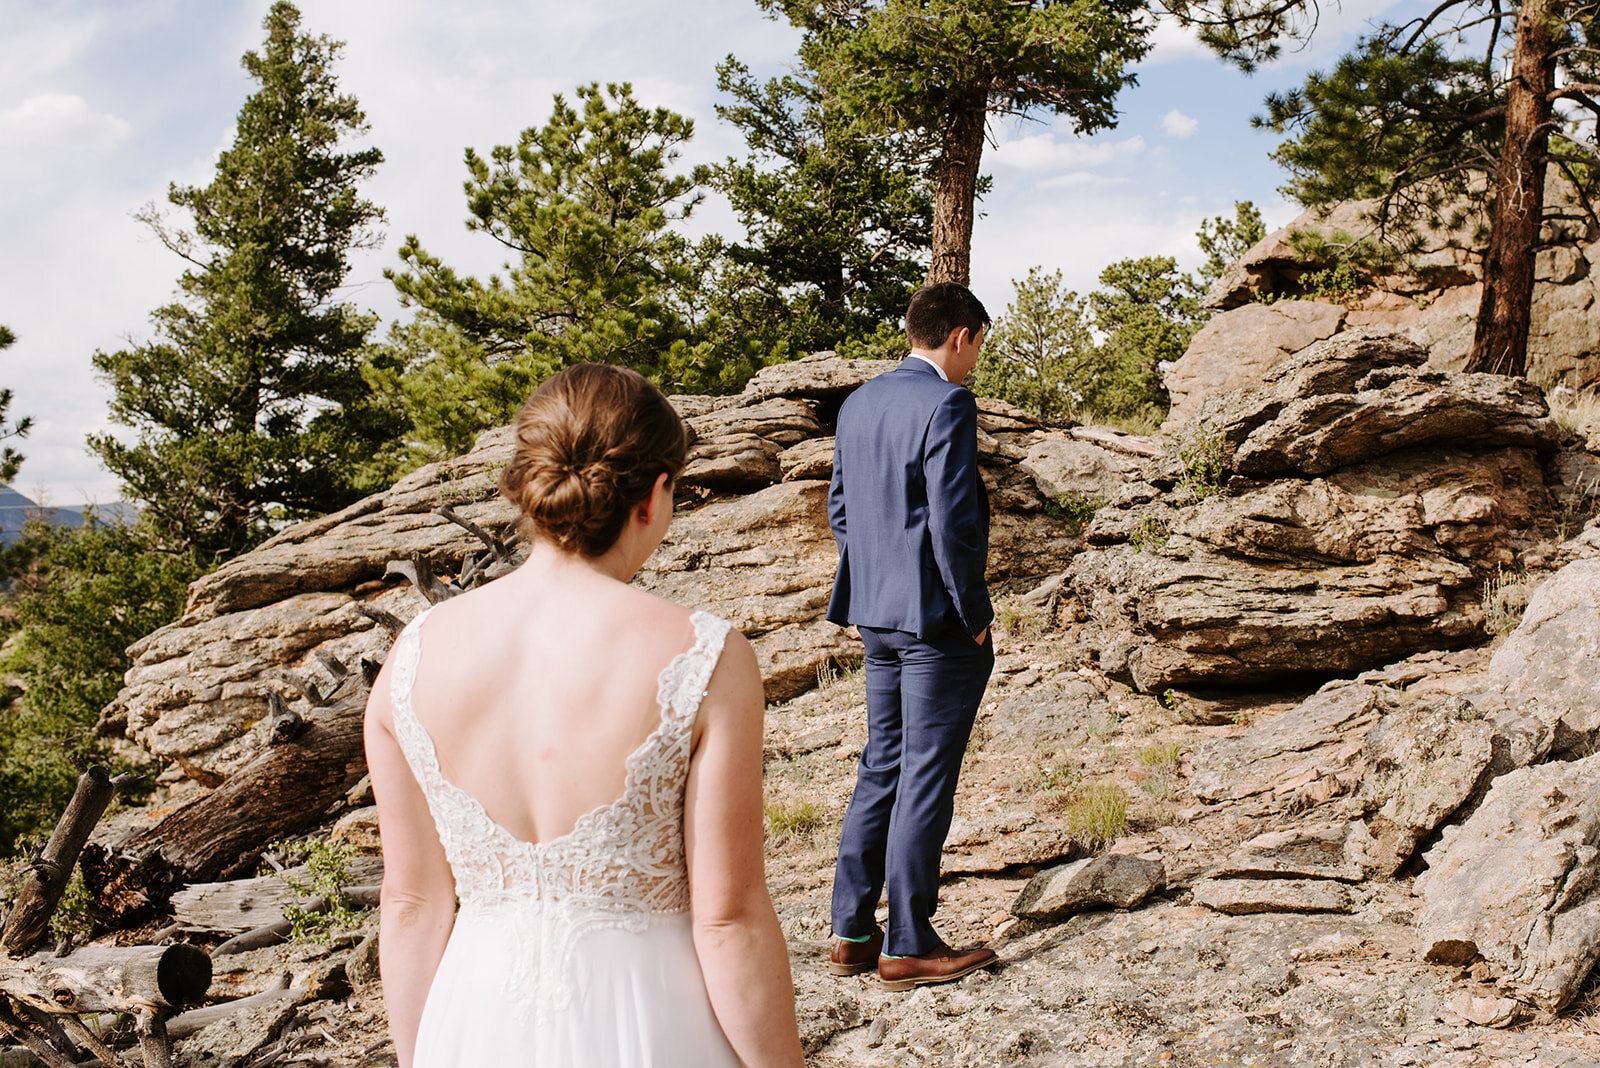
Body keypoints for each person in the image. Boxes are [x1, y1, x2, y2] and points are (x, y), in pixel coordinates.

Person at [365, 363, 804, 1068]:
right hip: (653, 1021)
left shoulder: (411, 659)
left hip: (471, 1023)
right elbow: (729, 920)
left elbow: (412, 907)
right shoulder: (705, 656)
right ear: (657, 494)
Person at [825, 282, 1000, 991]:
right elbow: (953, 521)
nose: (975, 364)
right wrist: (976, 609)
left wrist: (877, 578)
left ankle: (853, 929)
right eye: (979, 348)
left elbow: (842, 507)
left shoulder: (859, 402)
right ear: (959, 335)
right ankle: (910, 942)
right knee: (925, 769)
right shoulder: (947, 403)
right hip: (936, 620)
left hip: (876, 612)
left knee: (883, 763)